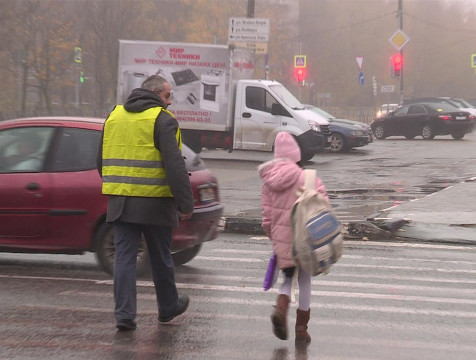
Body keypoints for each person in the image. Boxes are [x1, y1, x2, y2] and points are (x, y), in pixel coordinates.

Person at [96, 75, 194, 331]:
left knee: (124, 258)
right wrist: (185, 203)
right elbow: (175, 166)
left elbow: (100, 160)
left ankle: (125, 316)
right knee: (161, 257)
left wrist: (118, 185)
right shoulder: (162, 120)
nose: (170, 102)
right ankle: (168, 307)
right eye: (167, 96)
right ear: (154, 93)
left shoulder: (114, 117)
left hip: (121, 203)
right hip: (155, 203)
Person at [258, 131, 329, 345]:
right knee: (305, 280)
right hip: (305, 240)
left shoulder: (268, 181)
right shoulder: (307, 177)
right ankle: (301, 329)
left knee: (288, 277)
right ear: (296, 154)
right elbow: (324, 206)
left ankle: (280, 308)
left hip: (281, 241)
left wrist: (275, 239)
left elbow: (267, 219)